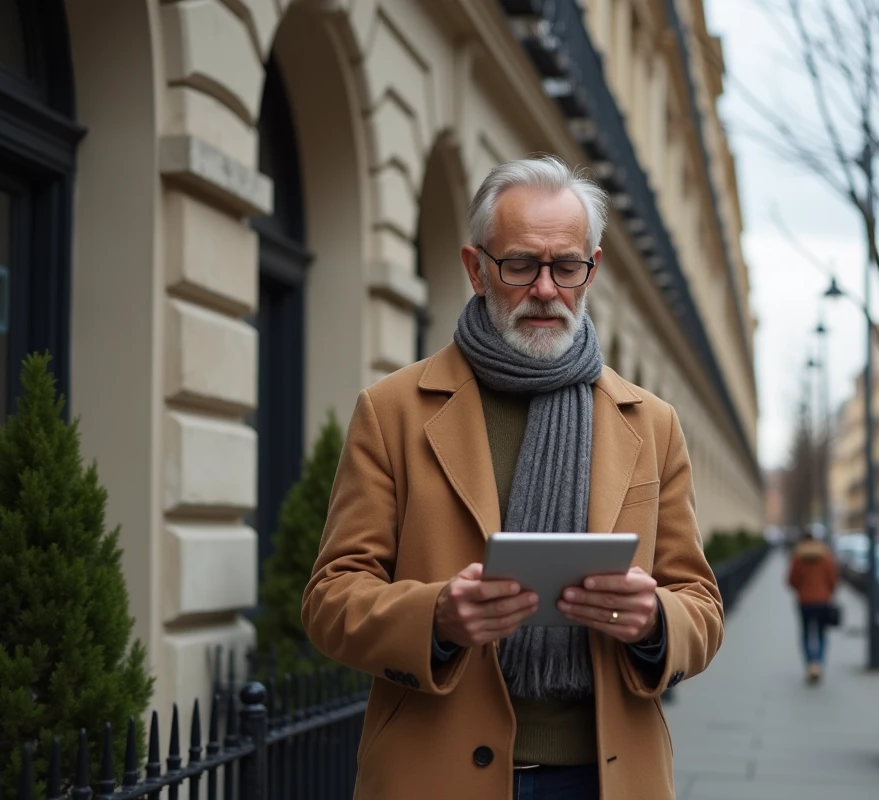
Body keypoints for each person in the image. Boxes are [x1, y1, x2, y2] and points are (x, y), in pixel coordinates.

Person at [301, 155, 724, 800]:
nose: (546, 290)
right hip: (435, 772)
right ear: (477, 269)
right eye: (521, 265)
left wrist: (655, 620)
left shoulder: (652, 424)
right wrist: (435, 616)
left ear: (593, 270)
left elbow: (701, 605)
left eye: (566, 267)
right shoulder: (392, 411)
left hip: (606, 775)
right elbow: (330, 599)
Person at [786, 530, 838, 683]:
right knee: (821, 633)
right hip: (823, 601)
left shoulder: (798, 557)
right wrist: (827, 591)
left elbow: (791, 580)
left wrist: (802, 588)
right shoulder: (826, 556)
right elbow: (833, 578)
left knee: (806, 633)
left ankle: (810, 663)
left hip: (804, 601)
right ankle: (818, 663)